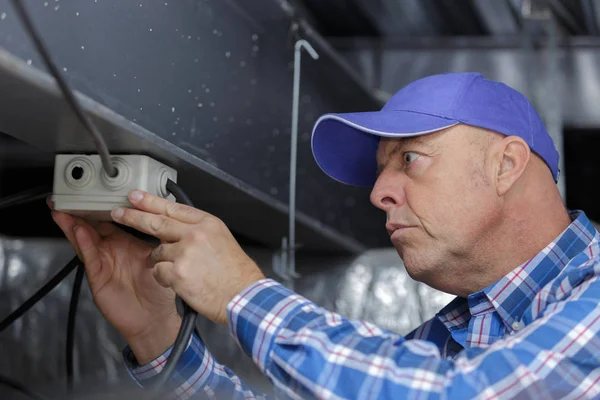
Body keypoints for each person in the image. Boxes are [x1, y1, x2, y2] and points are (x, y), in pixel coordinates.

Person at [50, 72, 600, 399]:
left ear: (507, 166)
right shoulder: (456, 336)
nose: (379, 192)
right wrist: (160, 341)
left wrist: (244, 293)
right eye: (383, 169)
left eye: (410, 158)